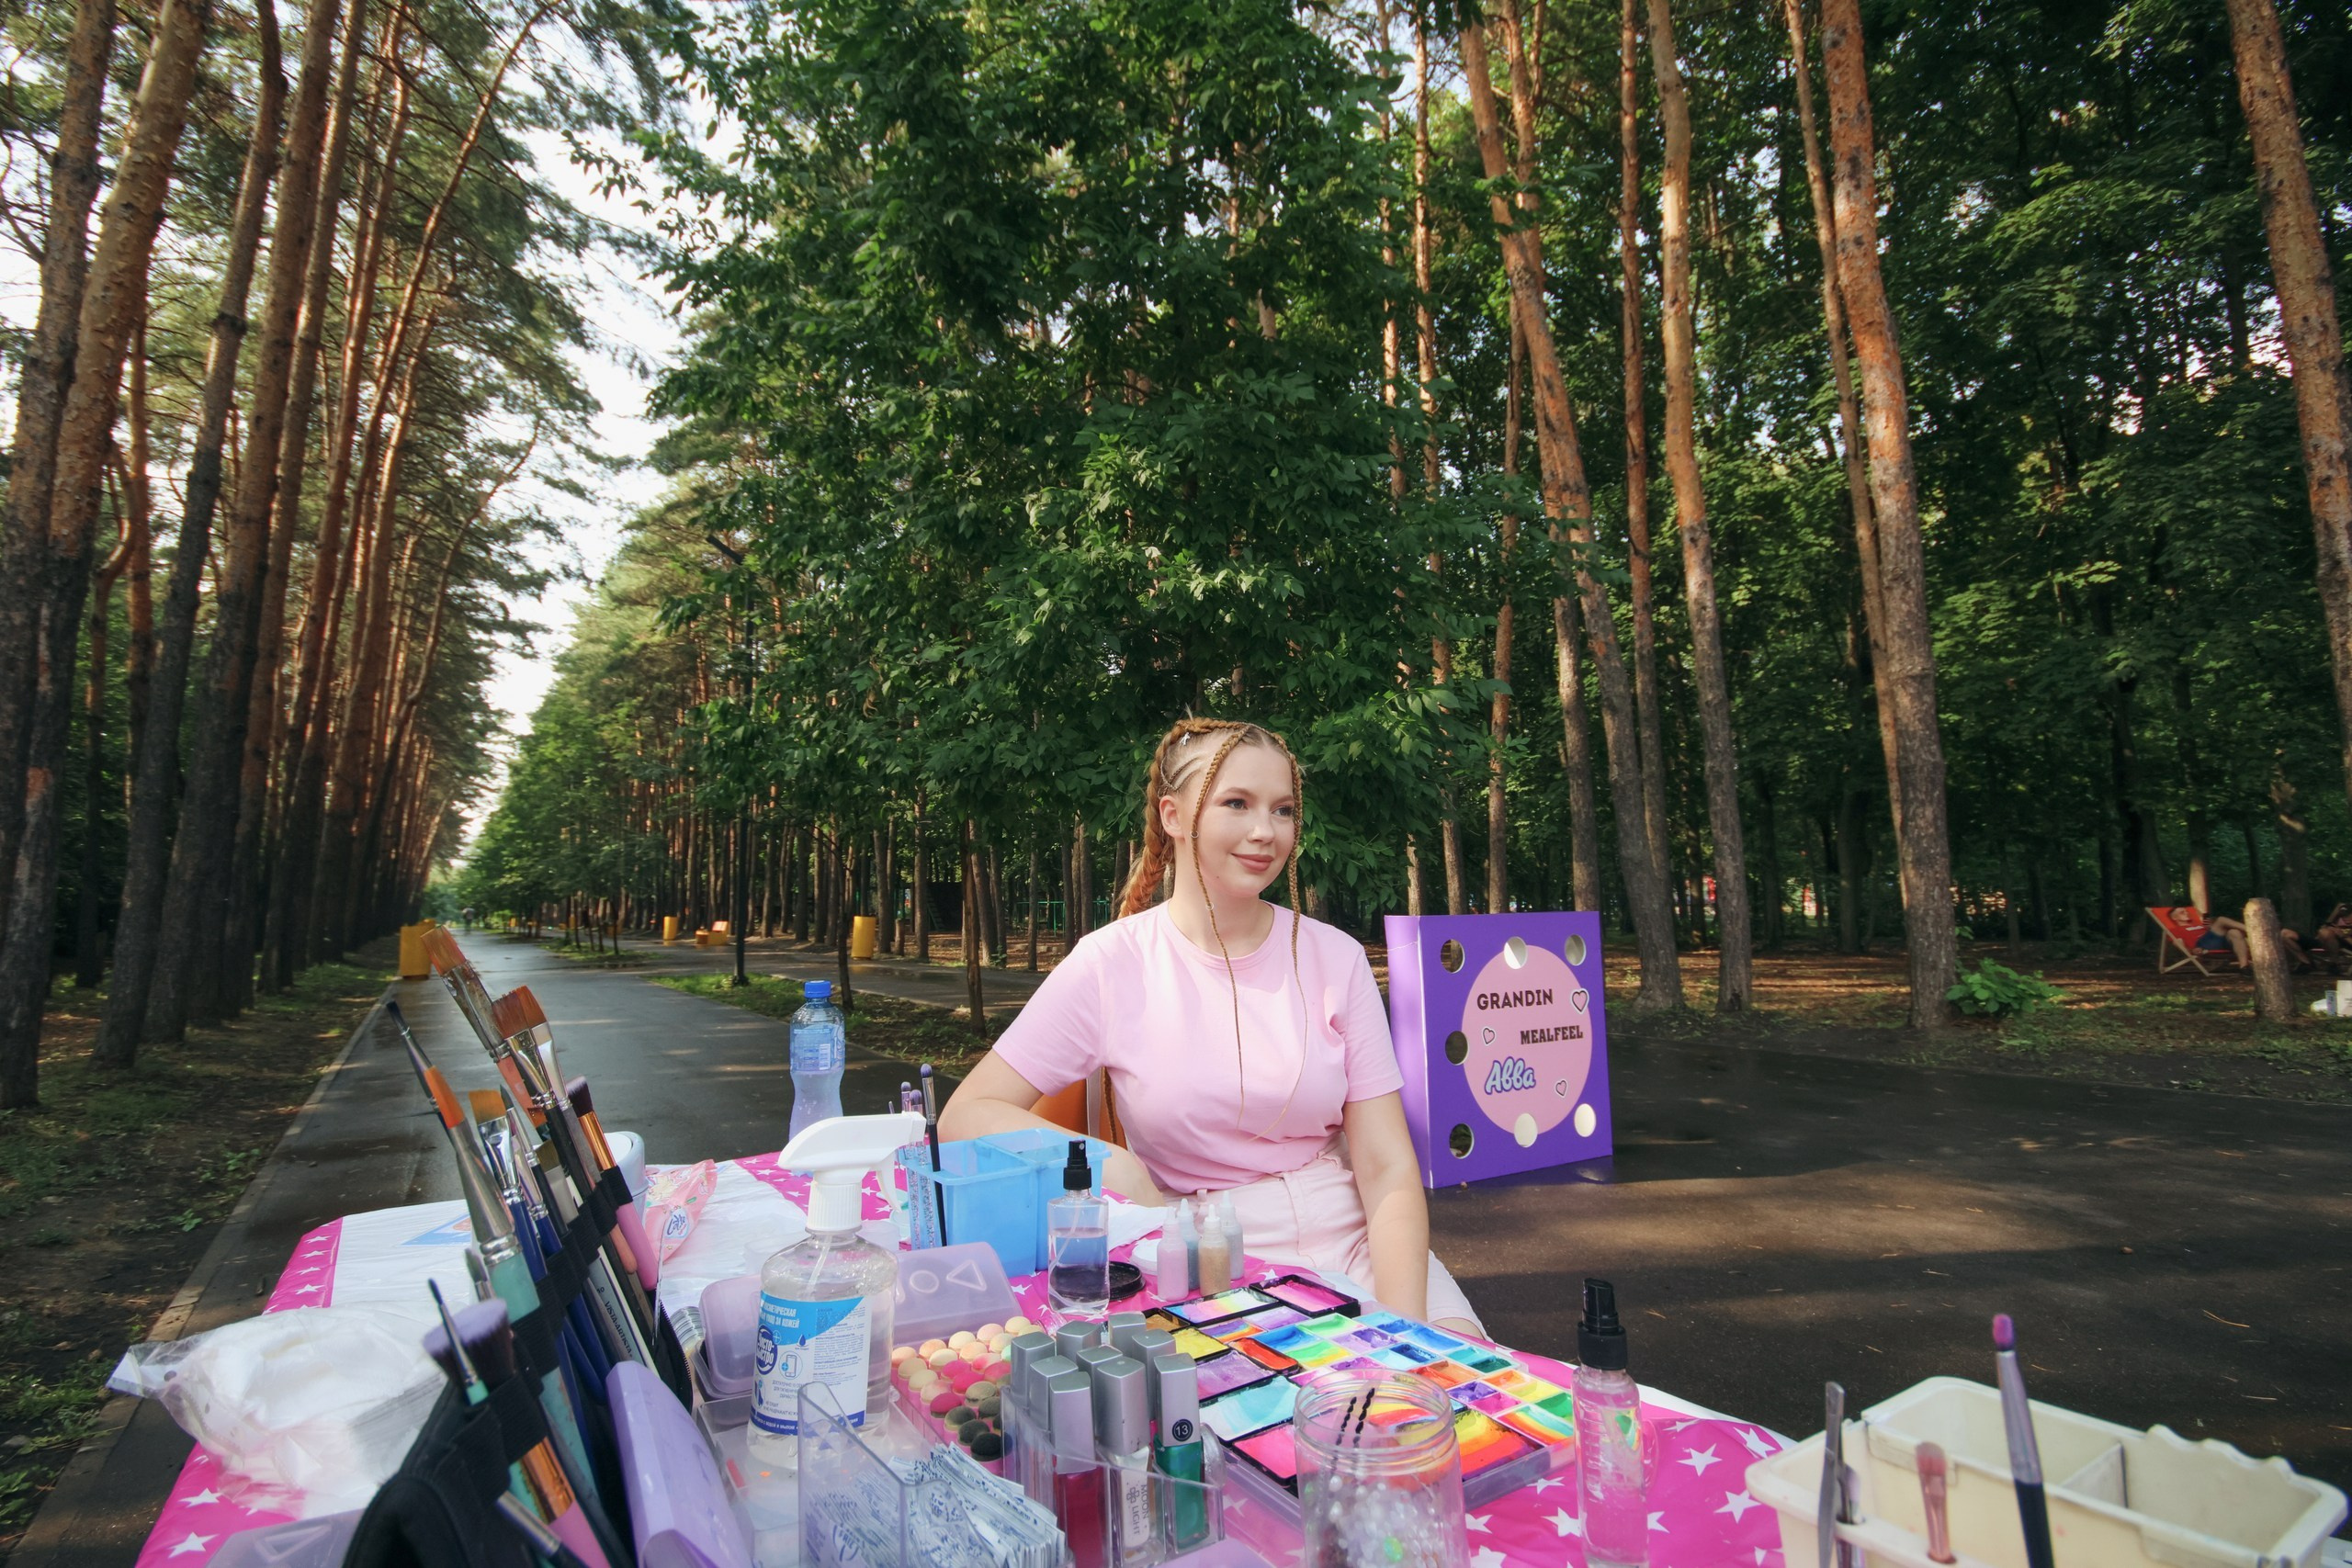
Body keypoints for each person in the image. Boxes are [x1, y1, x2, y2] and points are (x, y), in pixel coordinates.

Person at [940, 718, 1484, 1336]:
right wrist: (1109, 1164)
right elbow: (968, 1112)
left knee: (1467, 1399)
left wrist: (1408, 1331)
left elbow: (1387, 1166)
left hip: (1362, 1242)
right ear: (1173, 816)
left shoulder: (1336, 957)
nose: (1265, 831)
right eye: (1236, 803)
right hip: (1215, 1266)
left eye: (1283, 809)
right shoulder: (1110, 963)